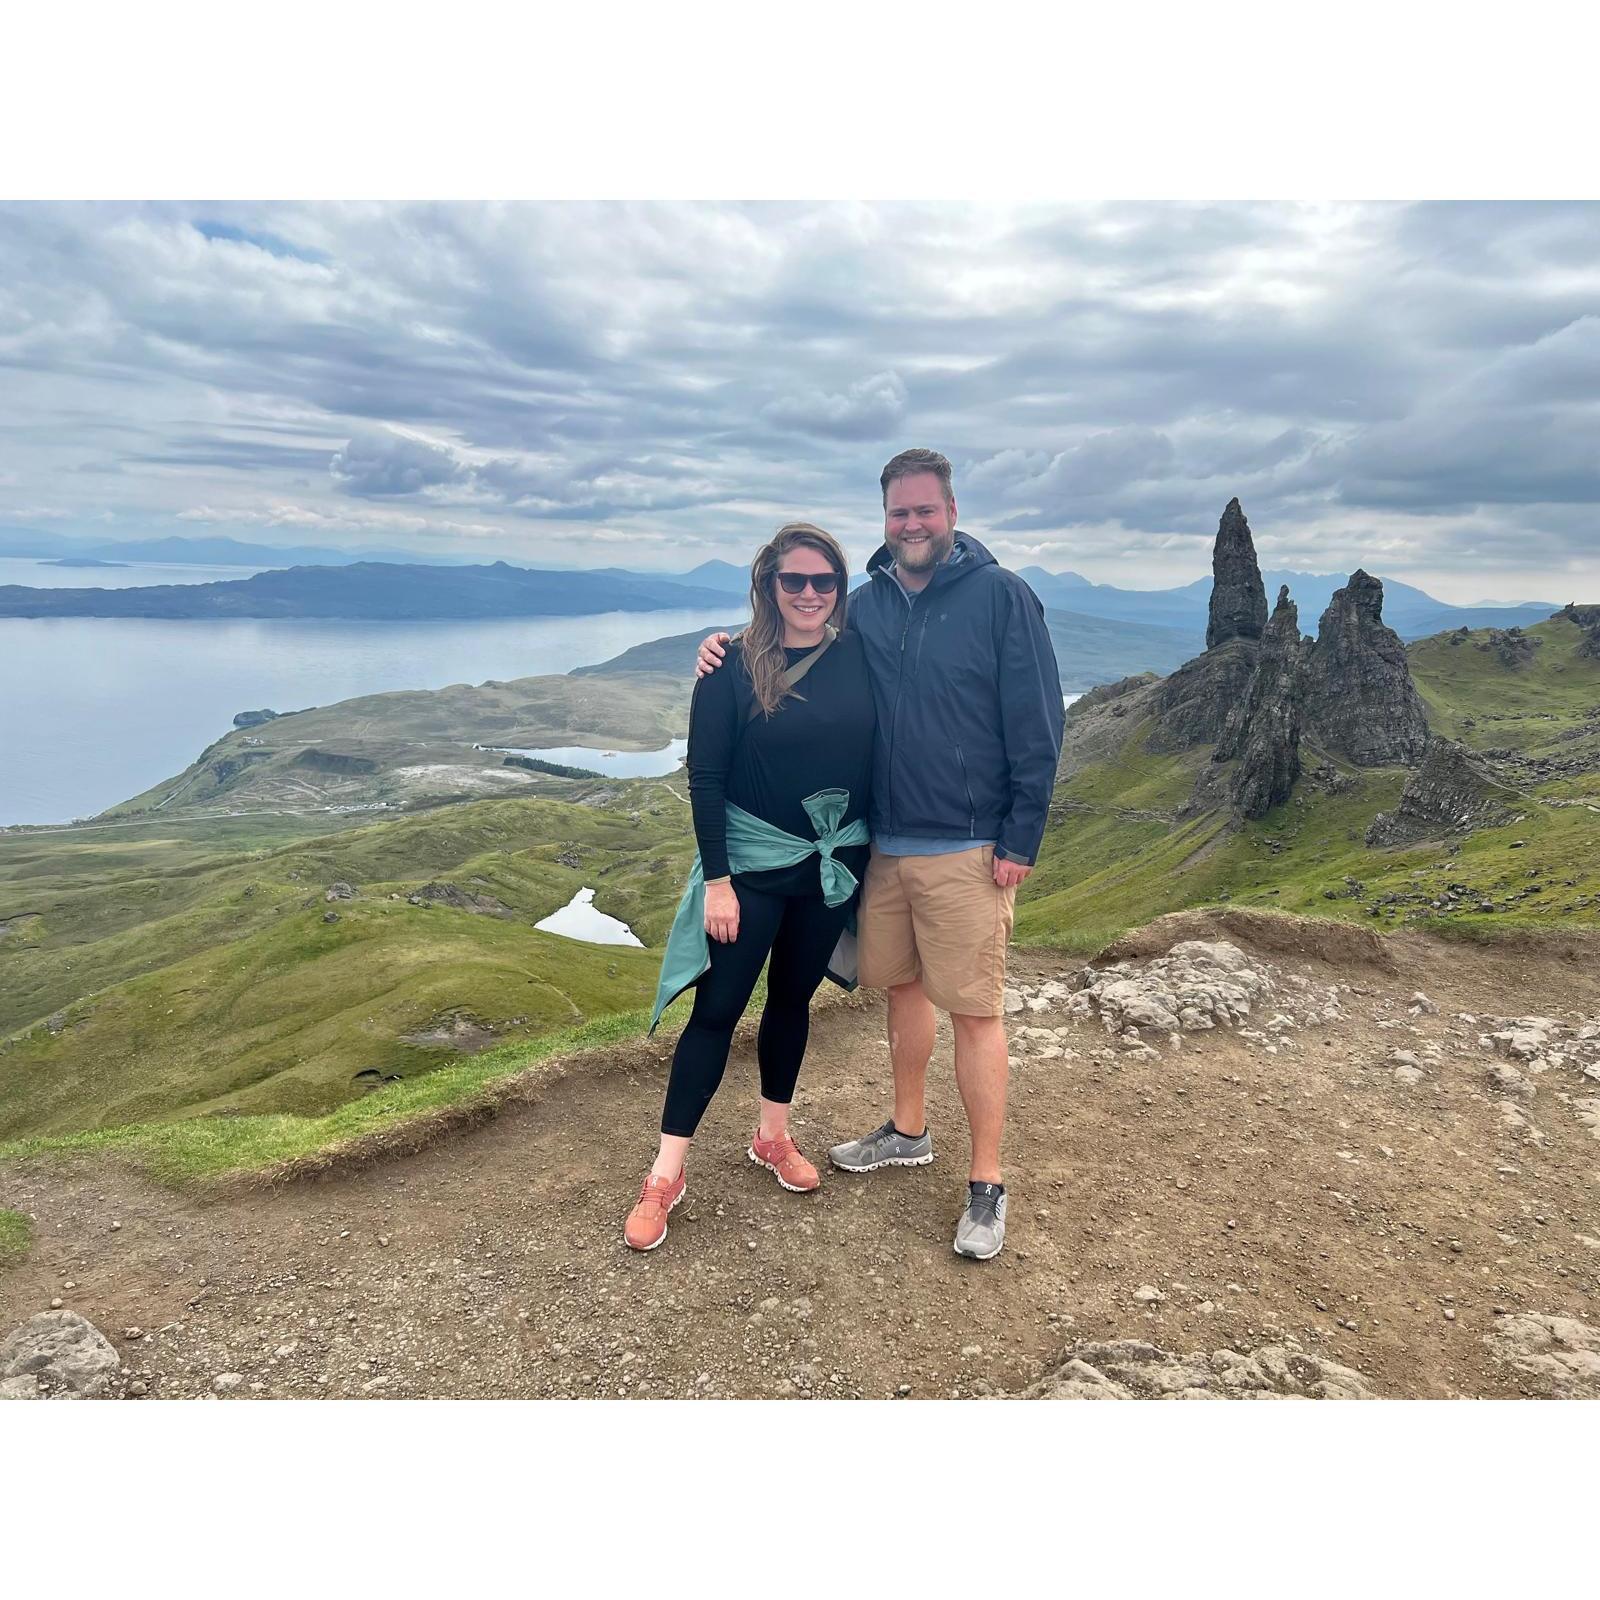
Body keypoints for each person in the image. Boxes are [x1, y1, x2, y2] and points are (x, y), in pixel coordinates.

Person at [696, 449, 1064, 1260]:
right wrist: (719, 654)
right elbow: (790, 642)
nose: (912, 525)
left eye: (925, 510)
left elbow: (1038, 724)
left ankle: (987, 1183)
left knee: (974, 1009)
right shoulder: (864, 606)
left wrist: (1020, 838)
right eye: (899, 513)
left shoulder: (1003, 598)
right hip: (883, 845)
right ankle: (908, 1129)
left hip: (968, 846)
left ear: (952, 511)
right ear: (885, 520)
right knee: (899, 989)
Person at [626, 522, 876, 1252]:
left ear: (840, 588)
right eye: (792, 580)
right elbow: (705, 779)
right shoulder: (731, 666)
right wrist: (720, 883)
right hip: (753, 870)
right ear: (768, 585)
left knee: (792, 1001)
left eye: (823, 581)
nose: (808, 593)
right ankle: (666, 1173)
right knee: (718, 1011)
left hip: (829, 869)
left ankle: (773, 1136)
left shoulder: (861, 654)